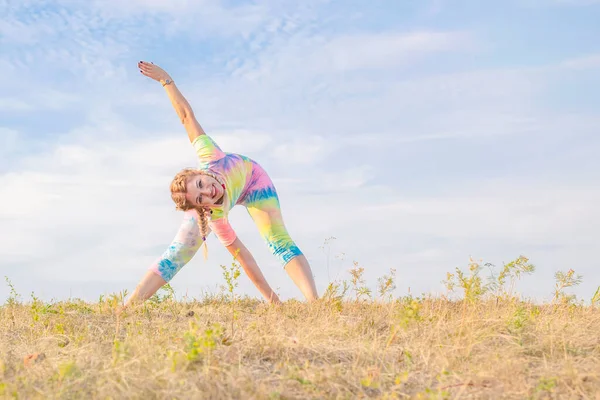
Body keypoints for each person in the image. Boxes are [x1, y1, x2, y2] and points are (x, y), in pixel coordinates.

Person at [122, 61, 319, 309]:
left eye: (202, 184)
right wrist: (273, 301)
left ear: (200, 173)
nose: (209, 191)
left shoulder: (209, 156)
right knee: (178, 253)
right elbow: (244, 258)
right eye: (201, 197)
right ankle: (126, 308)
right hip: (217, 210)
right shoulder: (214, 216)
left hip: (254, 181)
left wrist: (166, 81)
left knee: (278, 240)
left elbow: (185, 116)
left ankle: (316, 304)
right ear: (201, 207)